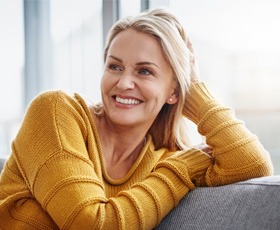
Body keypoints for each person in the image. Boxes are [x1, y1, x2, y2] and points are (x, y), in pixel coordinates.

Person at [0, 7, 273, 229]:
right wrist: (181, 171)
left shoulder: (165, 159)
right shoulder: (56, 112)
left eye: (144, 72)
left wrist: (196, 93)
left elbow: (252, 163)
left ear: (174, 91)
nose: (123, 83)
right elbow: (90, 224)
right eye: (114, 66)